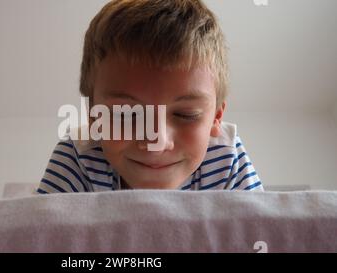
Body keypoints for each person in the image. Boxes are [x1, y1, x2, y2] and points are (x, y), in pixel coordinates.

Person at [36, 0, 263, 193]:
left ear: (216, 118)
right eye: (125, 114)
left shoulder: (226, 159)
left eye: (185, 115)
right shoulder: (79, 155)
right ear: (93, 117)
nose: (156, 142)